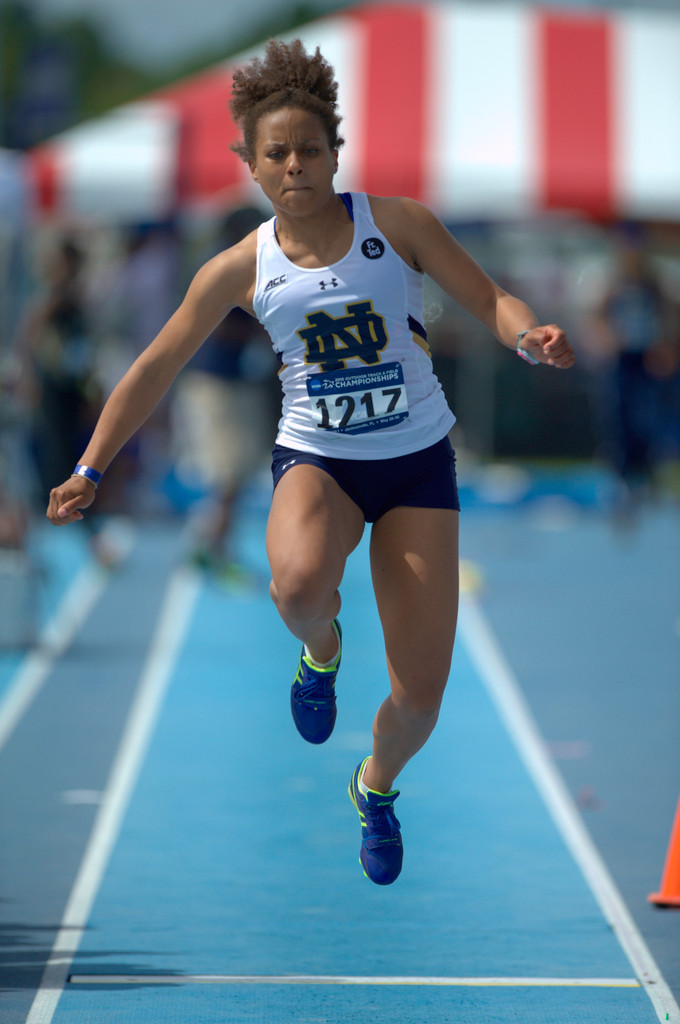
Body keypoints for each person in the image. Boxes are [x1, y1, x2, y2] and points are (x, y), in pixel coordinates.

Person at [46, 39, 575, 885]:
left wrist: (528, 337)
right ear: (249, 165)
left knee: (418, 702)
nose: (295, 166)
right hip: (318, 461)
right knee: (294, 588)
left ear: (336, 152)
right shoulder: (239, 268)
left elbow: (488, 300)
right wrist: (92, 467)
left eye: (310, 150)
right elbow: (154, 366)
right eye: (276, 153)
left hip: (415, 468)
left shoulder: (397, 225)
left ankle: (374, 786)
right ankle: (321, 652)